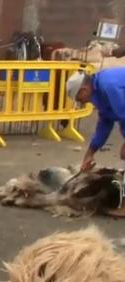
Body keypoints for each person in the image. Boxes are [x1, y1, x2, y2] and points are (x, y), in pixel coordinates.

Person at [66, 69, 125, 216]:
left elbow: (124, 114)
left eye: (79, 99)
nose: (81, 103)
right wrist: (89, 154)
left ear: (84, 89)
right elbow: (105, 123)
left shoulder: (108, 85)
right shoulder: (99, 92)